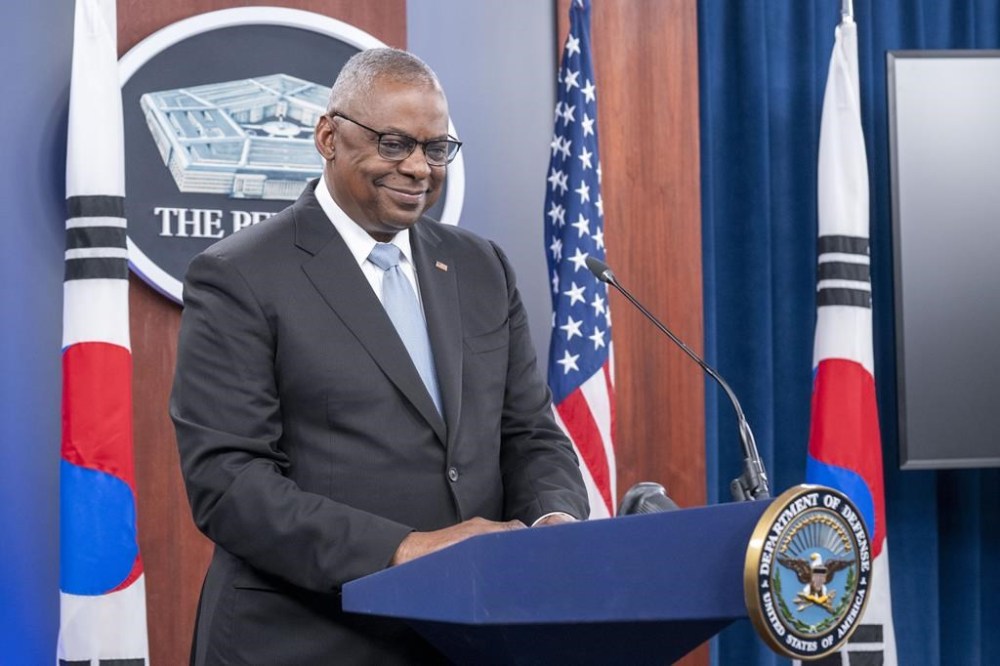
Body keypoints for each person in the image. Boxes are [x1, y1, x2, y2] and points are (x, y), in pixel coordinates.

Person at [170, 47, 589, 665]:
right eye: (394, 143)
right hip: (306, 640)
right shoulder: (240, 275)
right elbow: (228, 482)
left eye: (436, 148)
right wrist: (406, 548)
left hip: (467, 636)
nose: (419, 168)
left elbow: (529, 433)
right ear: (328, 137)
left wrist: (555, 519)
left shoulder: (482, 268)